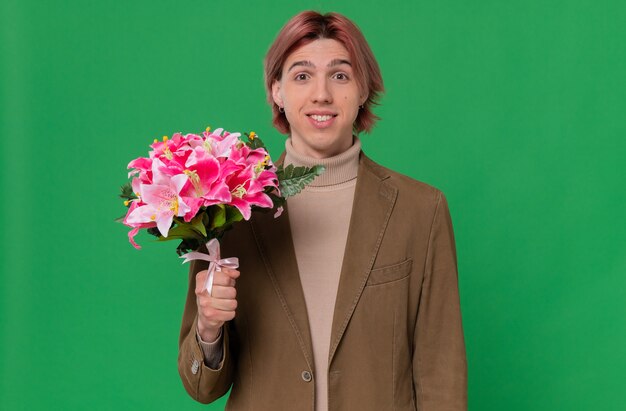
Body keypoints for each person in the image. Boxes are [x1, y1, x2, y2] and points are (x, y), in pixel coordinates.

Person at [177, 10, 467, 411]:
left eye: (340, 75)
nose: (321, 95)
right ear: (276, 90)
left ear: (363, 89)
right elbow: (201, 388)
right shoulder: (230, 211)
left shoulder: (422, 210)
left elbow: (441, 372)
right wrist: (209, 329)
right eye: (301, 76)